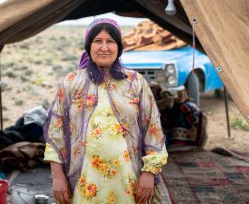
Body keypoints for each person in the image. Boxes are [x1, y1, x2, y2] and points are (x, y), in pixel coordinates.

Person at [43, 18, 168, 204]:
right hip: (83, 181)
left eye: (110, 41)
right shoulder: (71, 82)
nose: (104, 47)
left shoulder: (135, 82)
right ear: (88, 46)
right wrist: (58, 177)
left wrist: (149, 173)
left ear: (119, 47)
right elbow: (56, 132)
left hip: (128, 180)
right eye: (97, 41)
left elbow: (153, 129)